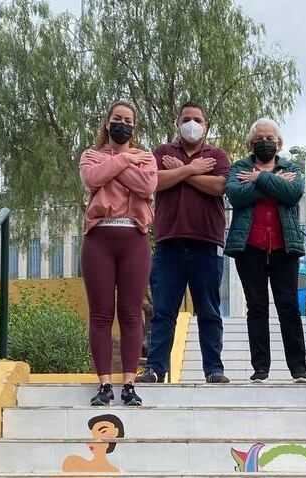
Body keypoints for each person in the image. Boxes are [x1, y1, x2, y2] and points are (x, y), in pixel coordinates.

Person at [138, 101, 231, 384]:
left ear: (206, 126)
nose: (192, 123)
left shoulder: (217, 155)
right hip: (169, 245)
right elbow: (154, 182)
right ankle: (155, 367)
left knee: (209, 312)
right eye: (186, 118)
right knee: (164, 312)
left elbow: (219, 186)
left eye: (197, 119)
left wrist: (182, 171)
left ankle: (214, 369)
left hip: (206, 243)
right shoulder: (162, 152)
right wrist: (193, 169)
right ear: (177, 123)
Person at [79, 99, 158, 406]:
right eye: (117, 118)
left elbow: (147, 187)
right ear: (107, 122)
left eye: (128, 120)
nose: (122, 124)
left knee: (130, 312)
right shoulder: (90, 155)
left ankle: (128, 383)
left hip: (134, 238)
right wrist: (126, 161)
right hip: (99, 237)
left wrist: (116, 166)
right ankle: (104, 384)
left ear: (134, 127)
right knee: (100, 314)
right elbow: (92, 178)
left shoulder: (147, 156)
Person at [224, 118, 306, 383]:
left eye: (270, 138)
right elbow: (236, 196)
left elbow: (293, 193)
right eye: (260, 138)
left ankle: (298, 369)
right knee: (257, 307)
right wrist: (272, 183)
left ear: (278, 142)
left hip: (285, 247)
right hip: (250, 247)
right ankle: (261, 368)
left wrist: (259, 178)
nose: (265, 142)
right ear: (251, 142)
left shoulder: (291, 166)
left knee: (289, 307)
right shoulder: (239, 167)